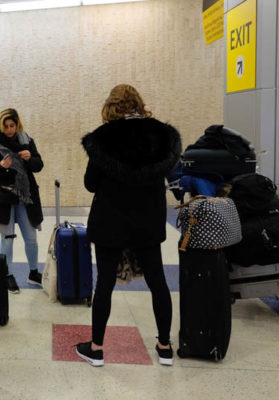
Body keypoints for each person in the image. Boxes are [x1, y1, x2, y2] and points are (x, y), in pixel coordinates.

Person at [76, 84, 182, 367]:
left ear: (111, 106)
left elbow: (90, 184)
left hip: (111, 220)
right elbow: (169, 174)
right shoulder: (160, 135)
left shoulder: (103, 139)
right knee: (158, 281)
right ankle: (164, 347)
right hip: (148, 220)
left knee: (105, 284)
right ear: (138, 103)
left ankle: (96, 349)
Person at [0, 108, 44, 294]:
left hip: (25, 196)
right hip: (2, 197)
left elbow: (39, 165)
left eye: (12, 126)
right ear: (0, 125)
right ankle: (6, 275)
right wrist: (0, 166)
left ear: (17, 124)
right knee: (7, 240)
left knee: (31, 237)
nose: (9, 130)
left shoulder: (26, 140)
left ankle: (33, 272)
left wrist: (31, 159)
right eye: (5, 126)